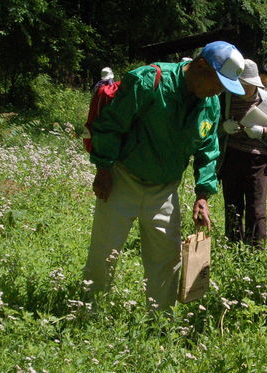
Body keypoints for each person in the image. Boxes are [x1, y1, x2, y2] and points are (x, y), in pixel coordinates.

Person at [84, 41, 246, 311]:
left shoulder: (211, 103)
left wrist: (203, 195)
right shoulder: (148, 81)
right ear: (201, 65)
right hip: (123, 179)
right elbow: (111, 126)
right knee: (104, 251)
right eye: (218, 82)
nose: (218, 91)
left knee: (166, 259)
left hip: (165, 189)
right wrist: (104, 168)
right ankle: (88, 309)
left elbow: (208, 149)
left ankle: (160, 320)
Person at [218, 59, 267, 247]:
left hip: (258, 159)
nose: (244, 89)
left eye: (248, 85)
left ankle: (256, 248)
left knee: (256, 206)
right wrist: (223, 127)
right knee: (232, 204)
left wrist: (262, 131)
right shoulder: (225, 98)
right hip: (230, 155)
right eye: (240, 84)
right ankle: (232, 244)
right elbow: (209, 128)